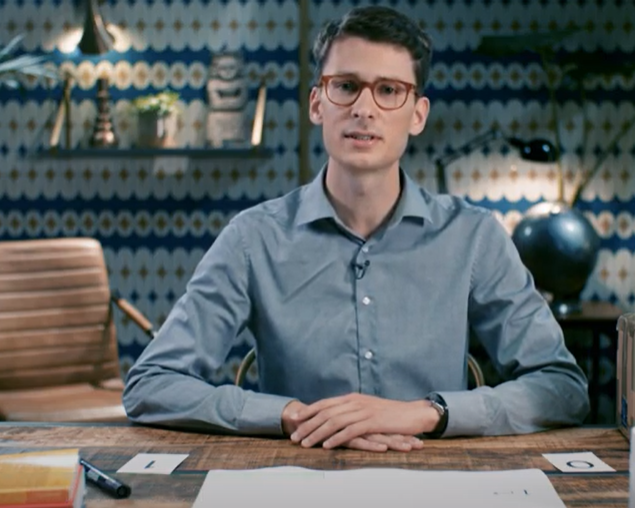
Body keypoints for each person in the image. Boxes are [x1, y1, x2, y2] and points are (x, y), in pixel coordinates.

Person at [123, 5, 589, 452]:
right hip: (294, 476)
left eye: (389, 90)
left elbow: (561, 387)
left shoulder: (473, 237)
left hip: (435, 478)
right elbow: (152, 384)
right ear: (317, 104)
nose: (364, 108)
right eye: (346, 86)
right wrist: (291, 416)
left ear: (418, 114)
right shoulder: (252, 239)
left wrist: (427, 413)